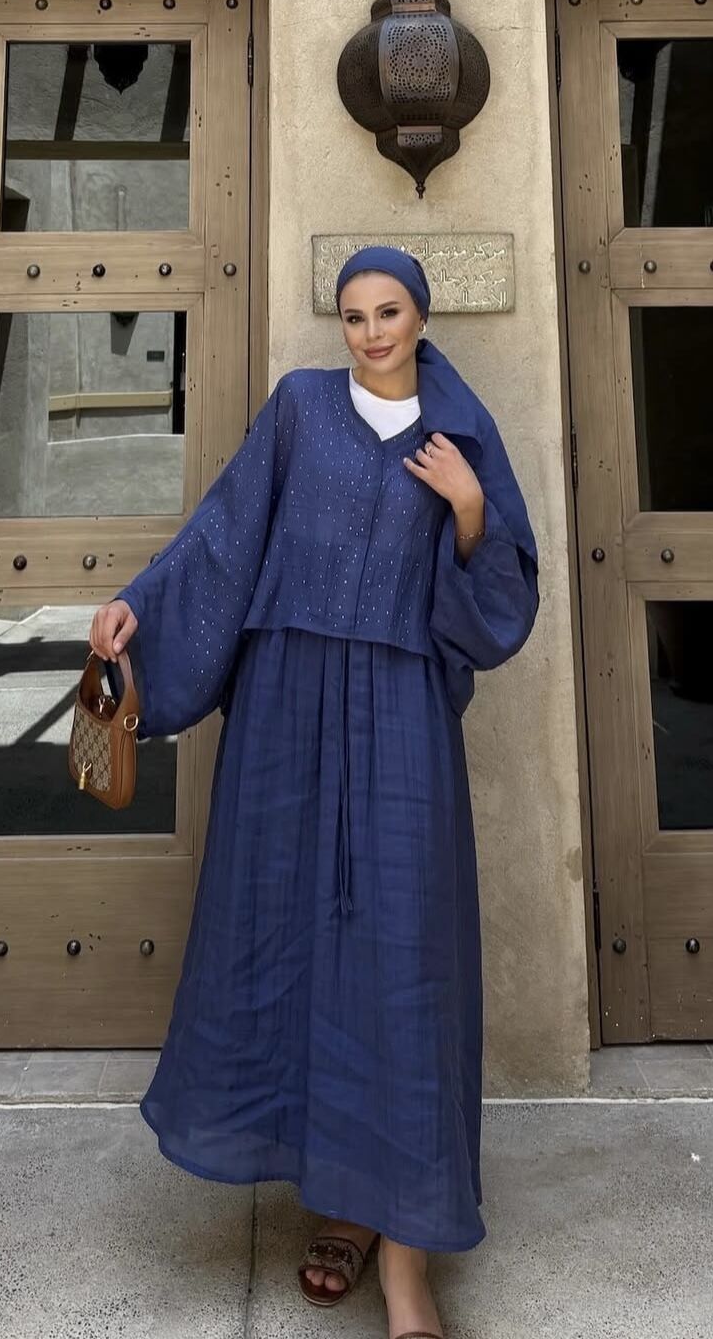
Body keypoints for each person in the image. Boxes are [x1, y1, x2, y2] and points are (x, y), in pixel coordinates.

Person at [88, 245, 539, 1339]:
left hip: (401, 718)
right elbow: (225, 532)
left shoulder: (457, 434)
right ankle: (342, 1208)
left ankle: (408, 1270)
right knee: (289, 944)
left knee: (404, 967)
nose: (371, 332)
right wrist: (139, 602)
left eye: (388, 312)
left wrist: (468, 506)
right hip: (286, 714)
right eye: (353, 315)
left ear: (420, 315)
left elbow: (500, 599)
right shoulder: (300, 408)